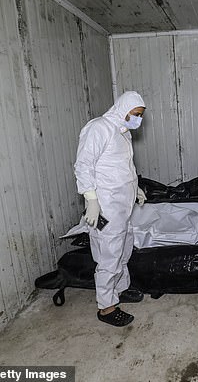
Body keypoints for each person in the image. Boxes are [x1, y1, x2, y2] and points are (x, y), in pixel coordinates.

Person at [74, 91, 148, 327]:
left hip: (122, 208)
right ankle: (106, 307)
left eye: (140, 115)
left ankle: (120, 289)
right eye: (136, 114)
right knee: (109, 257)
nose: (138, 119)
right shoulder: (99, 128)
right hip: (106, 207)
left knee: (123, 250)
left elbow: (123, 166)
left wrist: (135, 188)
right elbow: (83, 166)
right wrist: (91, 200)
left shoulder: (122, 132)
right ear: (123, 108)